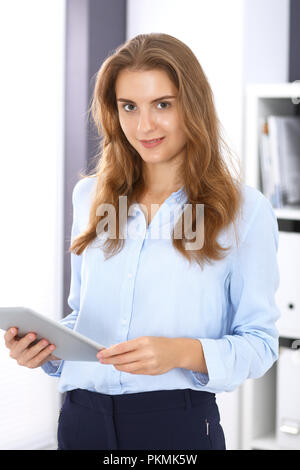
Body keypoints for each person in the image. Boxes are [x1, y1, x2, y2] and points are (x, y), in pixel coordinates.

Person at [3, 33, 280, 451]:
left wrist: (182, 352)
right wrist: (49, 351)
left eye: (162, 105)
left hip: (175, 426)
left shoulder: (245, 211)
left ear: (194, 106)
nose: (143, 125)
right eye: (128, 106)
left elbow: (260, 343)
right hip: (80, 421)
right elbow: (85, 315)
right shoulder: (90, 197)